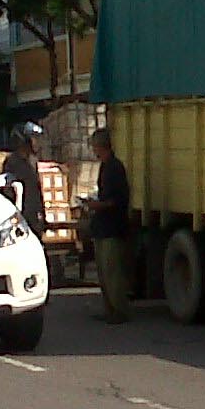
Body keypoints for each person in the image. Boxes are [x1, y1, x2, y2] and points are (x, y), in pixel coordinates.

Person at [84, 128, 132, 324]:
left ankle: (120, 311)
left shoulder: (115, 168)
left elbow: (117, 200)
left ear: (101, 146)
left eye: (95, 146)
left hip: (113, 227)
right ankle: (110, 309)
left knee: (113, 273)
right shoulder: (104, 167)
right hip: (102, 226)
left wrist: (96, 205)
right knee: (103, 273)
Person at [0, 122, 47, 236]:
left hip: (34, 215)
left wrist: (43, 213)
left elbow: (37, 187)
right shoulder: (12, 162)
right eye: (33, 139)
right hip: (20, 215)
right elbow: (7, 189)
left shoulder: (33, 160)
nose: (37, 143)